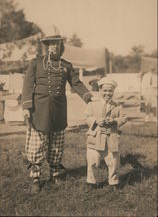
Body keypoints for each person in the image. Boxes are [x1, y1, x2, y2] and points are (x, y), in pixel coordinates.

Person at [22, 33, 93, 194]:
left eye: (57, 44)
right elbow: (27, 86)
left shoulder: (66, 65)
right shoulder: (36, 63)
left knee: (56, 143)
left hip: (59, 110)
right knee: (37, 145)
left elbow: (76, 83)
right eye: (50, 44)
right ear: (46, 46)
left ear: (61, 47)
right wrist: (26, 106)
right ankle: (35, 177)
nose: (53, 46)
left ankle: (55, 172)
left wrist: (89, 98)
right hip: (38, 110)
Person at [85, 77, 127, 191]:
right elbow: (87, 117)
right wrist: (95, 120)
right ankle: (91, 182)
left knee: (113, 161)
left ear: (113, 92)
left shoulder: (117, 105)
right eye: (105, 90)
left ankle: (113, 182)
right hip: (95, 136)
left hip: (111, 137)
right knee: (92, 160)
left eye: (110, 91)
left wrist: (115, 121)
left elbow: (124, 118)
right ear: (100, 90)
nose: (107, 93)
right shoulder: (93, 104)